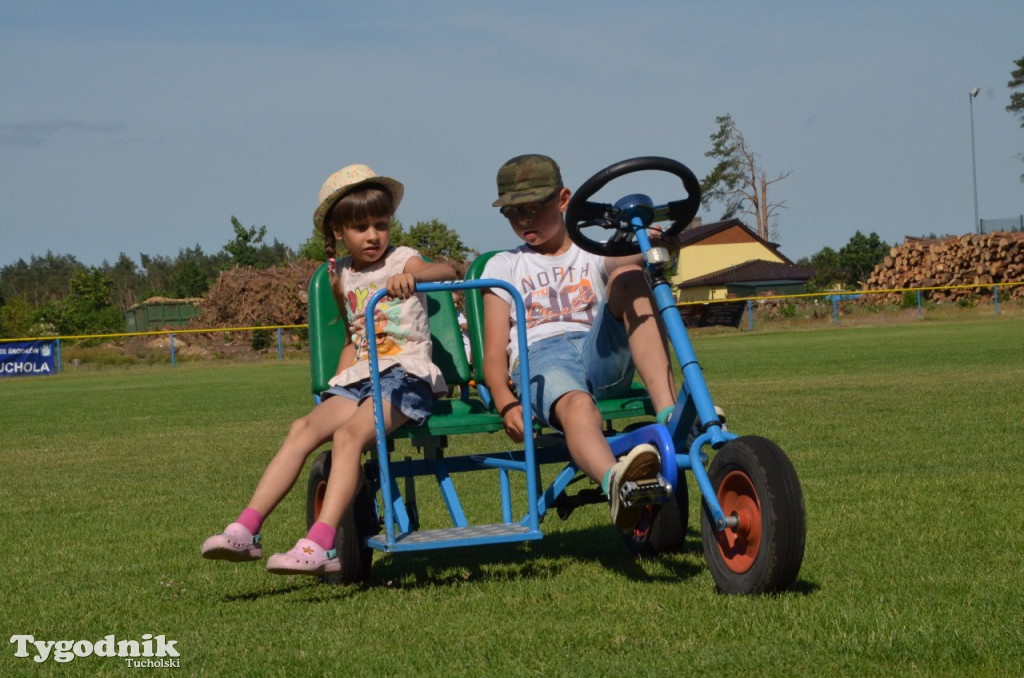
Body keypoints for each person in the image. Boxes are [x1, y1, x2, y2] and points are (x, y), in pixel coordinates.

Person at [201, 163, 457, 576]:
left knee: (349, 436)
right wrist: (331, 393)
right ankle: (246, 528)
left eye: (381, 224)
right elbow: (351, 341)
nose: (373, 235)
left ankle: (321, 544)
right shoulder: (343, 277)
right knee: (303, 428)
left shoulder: (403, 260)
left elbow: (442, 271)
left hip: (405, 376)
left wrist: (413, 280)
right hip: (361, 375)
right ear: (339, 232)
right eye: (360, 227)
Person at [481, 154, 679, 531]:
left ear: (563, 199)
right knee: (577, 405)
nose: (524, 220)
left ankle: (670, 414)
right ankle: (616, 484)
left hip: (596, 351)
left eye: (534, 208)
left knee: (631, 277)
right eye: (513, 212)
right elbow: (493, 353)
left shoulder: (593, 251)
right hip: (540, 358)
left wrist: (661, 243)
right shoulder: (504, 266)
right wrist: (506, 402)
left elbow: (636, 258)